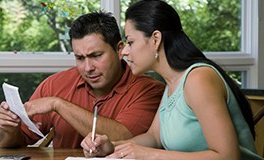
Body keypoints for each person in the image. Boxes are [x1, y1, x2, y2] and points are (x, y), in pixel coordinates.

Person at [81, 1, 263, 159]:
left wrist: (150, 155)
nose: (125, 52)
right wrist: (111, 147)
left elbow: (228, 157)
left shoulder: (199, 79)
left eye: (130, 42)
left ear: (155, 39)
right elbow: (154, 137)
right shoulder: (172, 83)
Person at [0, 11, 165, 149]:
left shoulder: (150, 91)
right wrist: (9, 127)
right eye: (80, 58)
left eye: (96, 55)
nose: (88, 68)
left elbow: (123, 139)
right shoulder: (54, 84)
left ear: (119, 49)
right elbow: (10, 142)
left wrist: (58, 104)